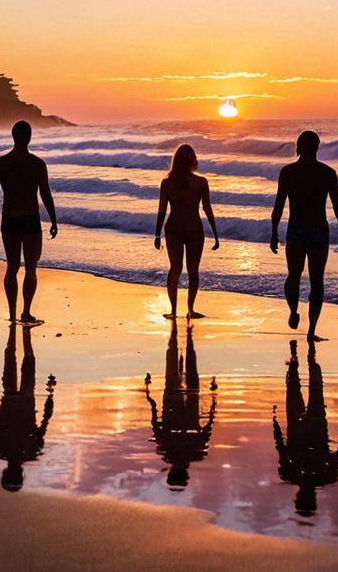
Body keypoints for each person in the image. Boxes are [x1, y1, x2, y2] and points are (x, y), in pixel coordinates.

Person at [270, 130, 338, 342]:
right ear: (317, 148)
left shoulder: (288, 172)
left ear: (298, 147)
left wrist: (274, 231)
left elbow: (279, 205)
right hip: (318, 232)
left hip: (296, 230)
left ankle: (293, 310)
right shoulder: (327, 173)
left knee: (293, 276)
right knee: (317, 282)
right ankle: (311, 330)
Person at [0, 120, 58, 325]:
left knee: (12, 268)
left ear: (13, 136)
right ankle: (25, 312)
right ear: (29, 137)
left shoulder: (0, 163)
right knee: (31, 269)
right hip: (30, 220)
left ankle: (11, 314)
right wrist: (53, 220)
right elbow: (46, 195)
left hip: (10, 219)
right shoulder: (37, 164)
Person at [272, 340, 338, 516]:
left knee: (295, 387)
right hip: (316, 423)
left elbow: (280, 447)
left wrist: (275, 421)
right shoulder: (326, 476)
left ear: (298, 496)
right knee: (312, 388)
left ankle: (297, 358)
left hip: (299, 425)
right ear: (313, 498)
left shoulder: (288, 474)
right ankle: (309, 356)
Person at [0, 323, 55, 491]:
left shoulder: (31, 452)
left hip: (24, 400)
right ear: (5, 472)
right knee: (12, 355)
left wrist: (50, 396)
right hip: (11, 399)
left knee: (28, 359)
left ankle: (23, 331)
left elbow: (45, 421)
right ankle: (18, 329)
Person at [144, 319, 217, 489]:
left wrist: (213, 404)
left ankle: (181, 333)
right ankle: (178, 332)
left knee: (188, 363)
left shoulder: (189, 452)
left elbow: (208, 427)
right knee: (175, 358)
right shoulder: (170, 450)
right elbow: (155, 423)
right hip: (174, 397)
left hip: (181, 399)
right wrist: (151, 401)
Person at [154, 144, 219, 319]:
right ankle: (190, 309)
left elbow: (162, 211)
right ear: (193, 160)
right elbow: (207, 209)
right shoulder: (201, 182)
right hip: (194, 229)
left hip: (173, 228)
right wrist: (215, 233)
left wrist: (157, 234)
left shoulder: (167, 183)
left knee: (175, 269)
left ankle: (173, 311)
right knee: (193, 271)